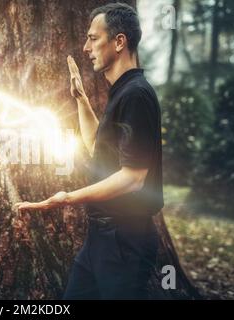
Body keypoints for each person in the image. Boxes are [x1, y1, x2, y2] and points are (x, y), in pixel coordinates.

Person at [14, 3, 164, 299]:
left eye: (93, 38)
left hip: (125, 241)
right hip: (100, 238)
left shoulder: (137, 95)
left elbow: (133, 177)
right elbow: (98, 145)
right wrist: (81, 99)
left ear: (119, 41)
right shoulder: (122, 91)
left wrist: (66, 199)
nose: (86, 47)